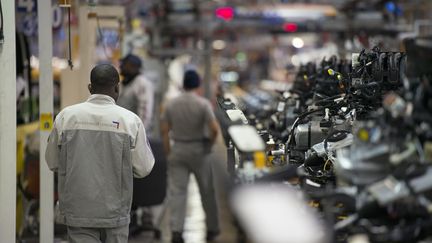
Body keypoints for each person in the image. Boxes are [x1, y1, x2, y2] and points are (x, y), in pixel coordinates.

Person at [45, 64, 155, 243]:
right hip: (115, 215)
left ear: (90, 88)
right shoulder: (130, 121)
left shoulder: (66, 117)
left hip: (78, 212)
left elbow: (52, 162)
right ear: (117, 88)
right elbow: (144, 168)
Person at [161, 70, 220, 243]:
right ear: (198, 85)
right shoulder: (203, 104)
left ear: (184, 84)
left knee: (177, 193)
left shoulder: (172, 104)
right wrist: (209, 144)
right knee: (207, 192)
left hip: (178, 149)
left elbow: (164, 130)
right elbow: (214, 129)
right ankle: (212, 229)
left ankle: (177, 232)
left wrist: (168, 152)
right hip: (199, 151)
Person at [117, 54, 155, 135]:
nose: (121, 67)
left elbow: (145, 113)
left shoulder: (142, 83)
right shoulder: (124, 83)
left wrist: (139, 134)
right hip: (121, 131)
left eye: (124, 64)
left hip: (134, 134)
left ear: (134, 67)